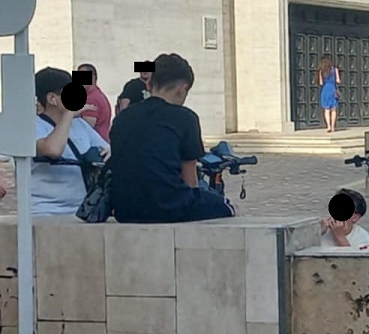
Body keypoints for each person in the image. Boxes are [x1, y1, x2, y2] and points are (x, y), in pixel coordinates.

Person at [109, 53, 236, 223]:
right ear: (182, 89)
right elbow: (190, 181)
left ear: (149, 84)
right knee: (226, 205)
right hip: (169, 208)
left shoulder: (123, 118)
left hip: (126, 210)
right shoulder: (185, 118)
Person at [33, 68, 109, 215]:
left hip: (83, 211)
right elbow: (52, 150)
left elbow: (106, 148)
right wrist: (69, 113)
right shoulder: (34, 126)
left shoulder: (80, 125)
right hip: (45, 211)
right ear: (52, 98)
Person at [75, 63, 114, 142]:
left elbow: (86, 127)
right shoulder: (96, 94)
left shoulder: (92, 99)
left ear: (93, 77)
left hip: (94, 143)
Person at [317, 55, 341, 133]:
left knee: (326, 109)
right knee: (333, 109)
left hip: (325, 90)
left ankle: (328, 126)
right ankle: (333, 126)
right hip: (333, 90)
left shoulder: (321, 71)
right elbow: (338, 81)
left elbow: (321, 83)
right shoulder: (335, 70)